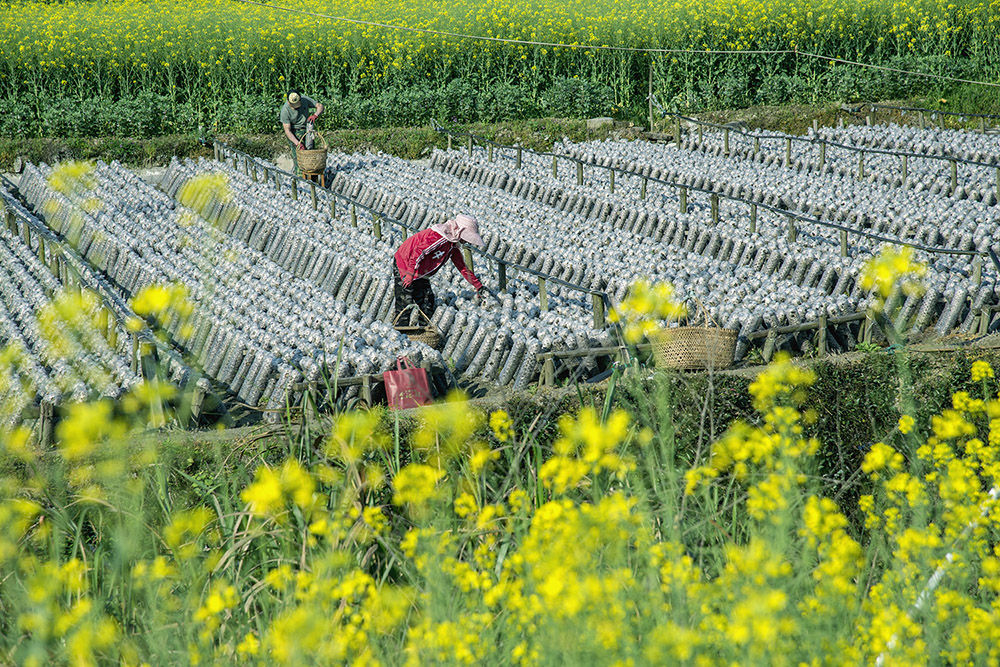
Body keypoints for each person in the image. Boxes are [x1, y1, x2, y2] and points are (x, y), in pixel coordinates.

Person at [392, 214, 491, 324]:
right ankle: (401, 332)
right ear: (460, 231)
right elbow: (419, 251)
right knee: (405, 301)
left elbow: (462, 267)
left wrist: (478, 286)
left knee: (427, 301)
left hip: (420, 270)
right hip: (405, 264)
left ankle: (422, 333)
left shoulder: (452, 245)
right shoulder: (439, 237)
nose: (467, 241)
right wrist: (410, 273)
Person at [279, 90, 323, 174]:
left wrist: (315, 115)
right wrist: (298, 143)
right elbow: (287, 130)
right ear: (288, 102)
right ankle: (301, 178)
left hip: (307, 130)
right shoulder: (285, 111)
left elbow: (320, 106)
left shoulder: (304, 99)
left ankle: (312, 179)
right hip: (294, 133)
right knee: (299, 159)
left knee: (311, 156)